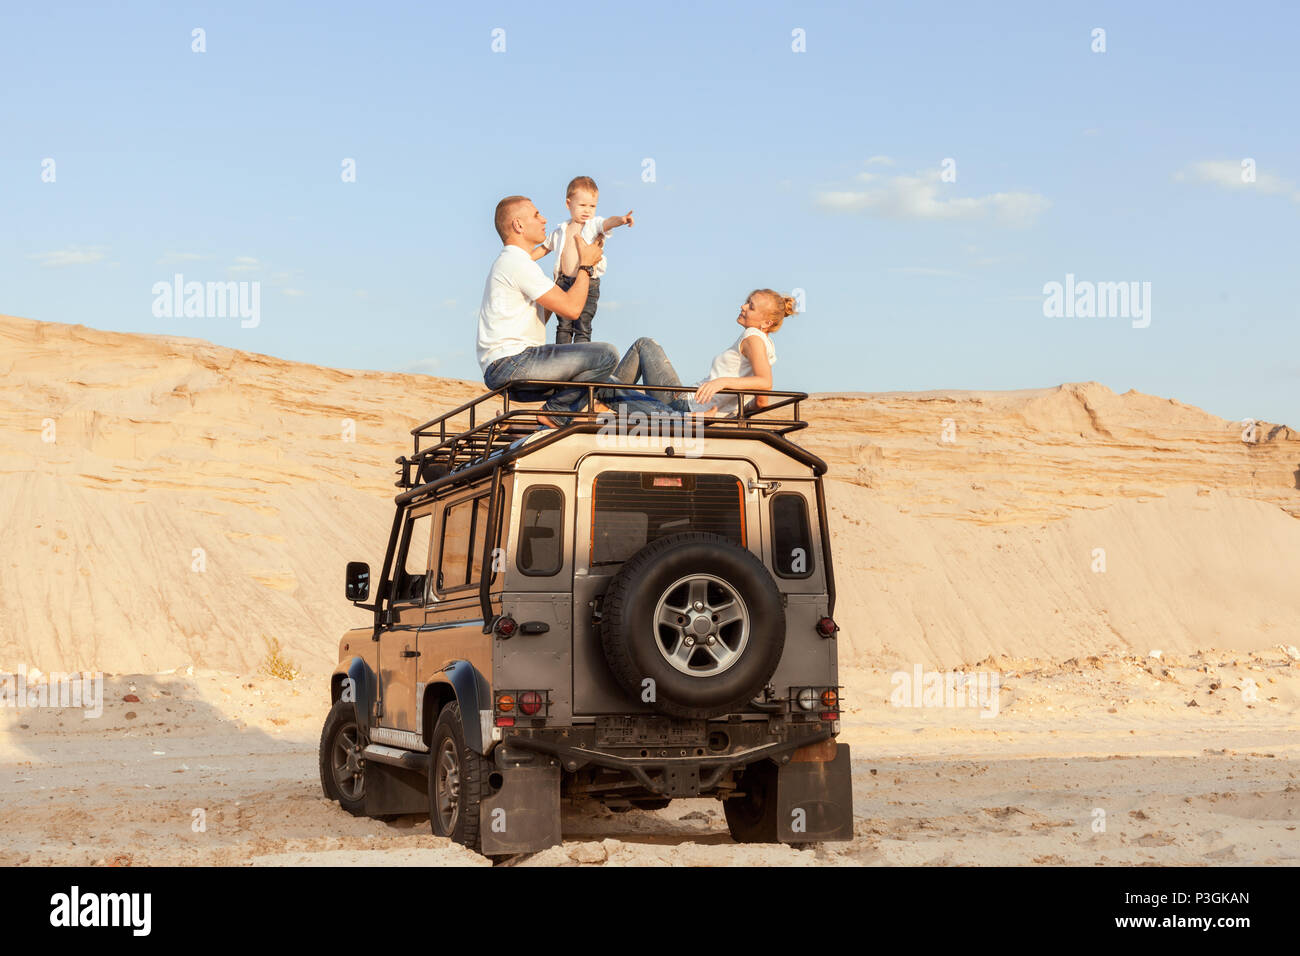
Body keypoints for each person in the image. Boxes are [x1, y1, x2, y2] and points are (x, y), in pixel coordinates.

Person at [476, 195, 666, 424]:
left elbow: (551, 309)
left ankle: (676, 418)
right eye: (536, 215)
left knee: (605, 384)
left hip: (510, 368)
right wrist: (586, 265)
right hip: (513, 364)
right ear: (518, 225)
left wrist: (569, 276)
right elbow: (573, 310)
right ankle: (554, 413)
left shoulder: (516, 264)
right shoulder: (517, 263)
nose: (544, 219)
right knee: (605, 355)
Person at [612, 289, 795, 415]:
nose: (743, 307)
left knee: (644, 345)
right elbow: (762, 401)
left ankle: (600, 400)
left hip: (688, 404)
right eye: (747, 302)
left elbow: (765, 382)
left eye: (751, 306)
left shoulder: (753, 336)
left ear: (766, 323)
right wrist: (732, 415)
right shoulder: (766, 345)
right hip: (701, 407)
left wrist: (721, 382)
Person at [530, 175, 633, 344]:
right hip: (563, 283)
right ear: (568, 204)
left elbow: (608, 222)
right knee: (563, 325)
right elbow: (544, 248)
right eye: (582, 205)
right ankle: (562, 358)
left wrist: (621, 220)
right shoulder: (561, 230)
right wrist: (525, 258)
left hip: (588, 283)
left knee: (582, 326)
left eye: (592, 206)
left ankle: (581, 358)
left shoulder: (593, 225)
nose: (587, 210)